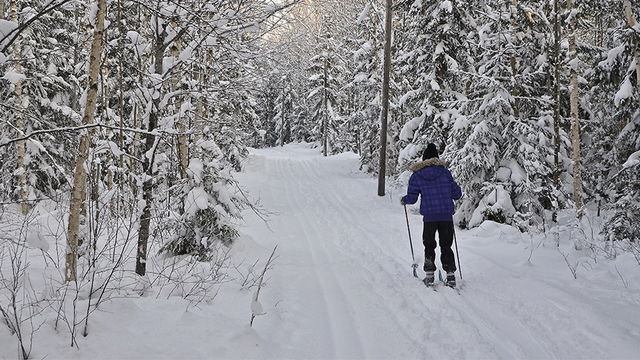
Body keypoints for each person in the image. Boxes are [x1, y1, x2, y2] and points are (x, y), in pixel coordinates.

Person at [401, 143, 462, 287]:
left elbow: (412, 198)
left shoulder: (417, 176)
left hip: (429, 217)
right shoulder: (445, 173)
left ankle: (429, 275)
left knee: (429, 245)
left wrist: (404, 200)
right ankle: (451, 275)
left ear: (424, 159)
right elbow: (457, 194)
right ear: (437, 158)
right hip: (446, 215)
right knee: (446, 245)